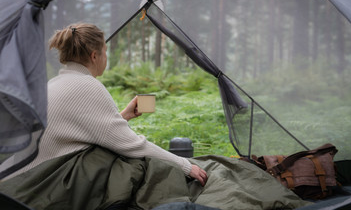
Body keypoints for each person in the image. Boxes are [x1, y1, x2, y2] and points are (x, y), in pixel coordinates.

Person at [5, 23, 207, 186]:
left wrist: (123, 116)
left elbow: (82, 130)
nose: (106, 57)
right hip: (39, 185)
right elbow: (133, 145)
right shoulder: (87, 86)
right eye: (105, 51)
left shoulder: (53, 84)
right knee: (127, 167)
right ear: (95, 55)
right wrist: (186, 166)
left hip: (17, 175)